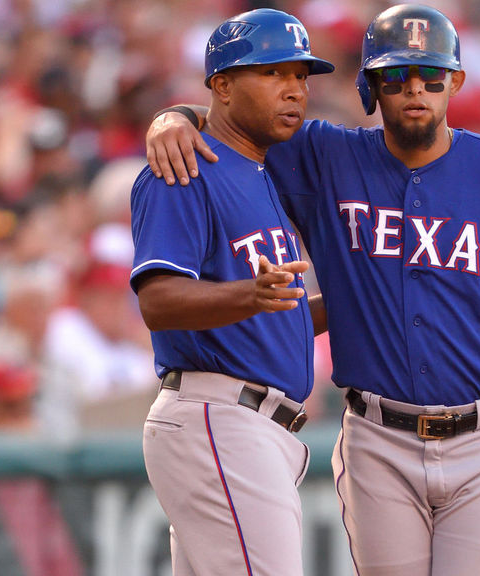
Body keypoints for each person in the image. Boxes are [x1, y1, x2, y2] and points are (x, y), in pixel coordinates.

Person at [145, 5, 480, 575]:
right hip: (379, 436)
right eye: (397, 78)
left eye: (431, 77)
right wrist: (173, 119)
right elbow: (237, 118)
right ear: (371, 87)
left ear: (455, 83)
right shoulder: (324, 155)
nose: (415, 91)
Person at [129, 9, 333, 576]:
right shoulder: (187, 165)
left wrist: (342, 309)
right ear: (222, 85)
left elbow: (271, 313)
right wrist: (251, 296)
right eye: (273, 74)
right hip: (219, 417)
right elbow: (159, 301)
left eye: (301, 77)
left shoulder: (262, 169)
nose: (294, 91)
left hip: (246, 425)